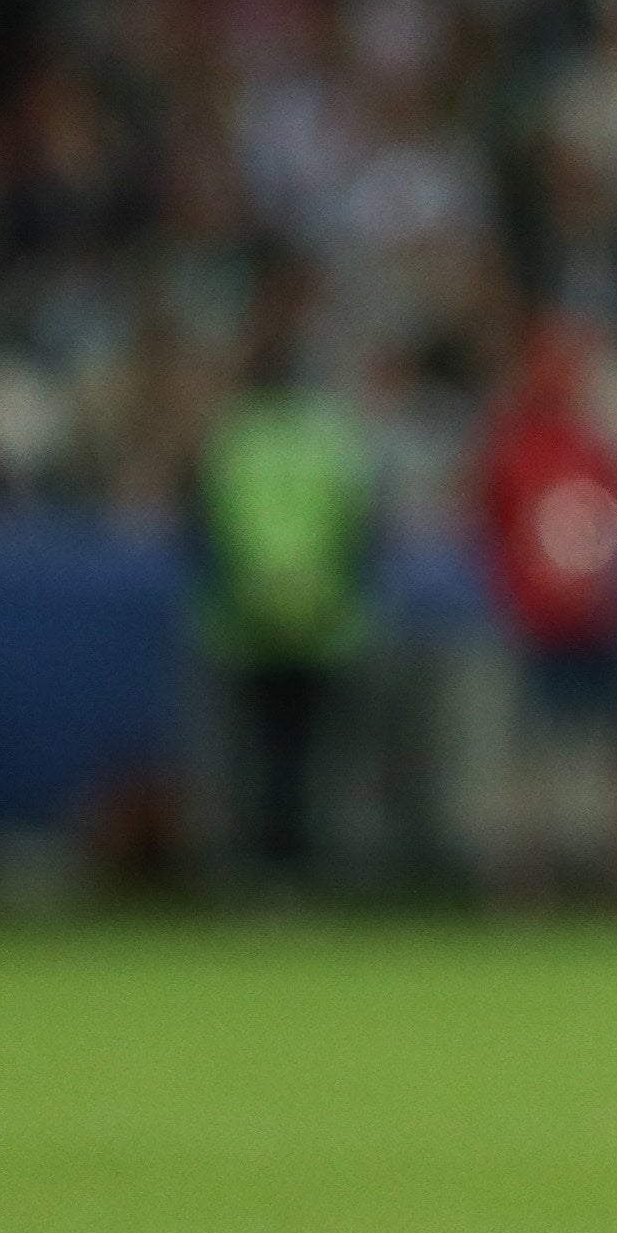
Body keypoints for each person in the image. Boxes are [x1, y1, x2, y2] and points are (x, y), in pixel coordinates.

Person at [195, 248, 377, 886]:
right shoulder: (329, 437)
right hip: (321, 618)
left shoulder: (232, 437)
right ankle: (304, 865)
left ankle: (258, 866)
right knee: (308, 753)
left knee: (252, 752)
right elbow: (360, 528)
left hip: (246, 619)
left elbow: (203, 530)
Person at [473, 325, 617, 898]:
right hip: (544, 626)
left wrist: (608, 590)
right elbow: (491, 533)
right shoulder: (516, 449)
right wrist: (523, 598)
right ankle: (529, 875)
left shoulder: (596, 448)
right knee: (538, 752)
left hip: (599, 623)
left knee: (615, 749)